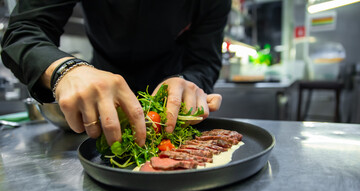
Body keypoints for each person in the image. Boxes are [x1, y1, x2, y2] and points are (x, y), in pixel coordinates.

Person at [1, 0, 231, 146]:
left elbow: (205, 61)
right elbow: (24, 32)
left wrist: (188, 82)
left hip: (170, 107)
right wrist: (66, 70)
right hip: (97, 106)